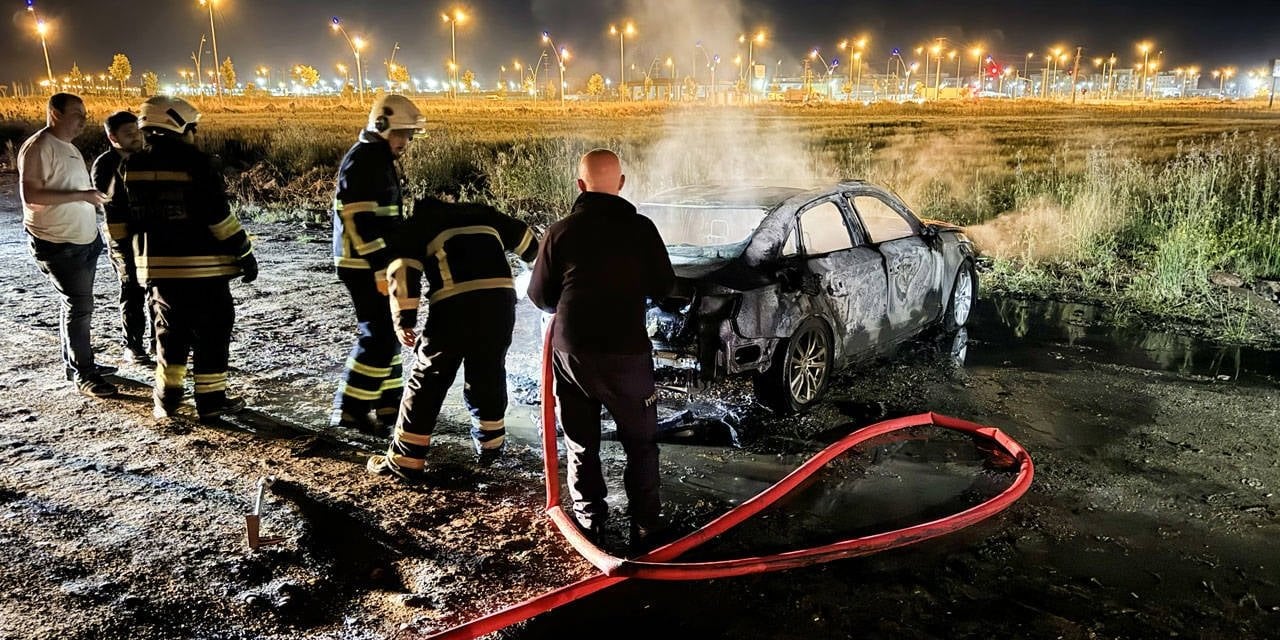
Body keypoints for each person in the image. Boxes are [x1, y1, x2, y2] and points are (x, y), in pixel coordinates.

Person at [528, 149, 675, 548]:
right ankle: (645, 524)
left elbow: (540, 297)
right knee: (641, 443)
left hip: (572, 352)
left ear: (580, 186)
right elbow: (666, 288)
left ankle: (590, 521)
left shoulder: (559, 232)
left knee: (581, 441)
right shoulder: (641, 229)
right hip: (626, 354)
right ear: (622, 184)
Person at [366, 196, 539, 481]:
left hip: (454, 305)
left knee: (429, 377)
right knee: (487, 372)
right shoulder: (486, 214)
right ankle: (491, 451)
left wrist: (404, 320)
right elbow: (530, 244)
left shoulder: (421, 223)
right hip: (500, 304)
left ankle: (405, 459)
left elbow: (402, 268)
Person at [122, 96, 257, 421]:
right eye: (192, 127)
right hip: (204, 269)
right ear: (178, 125)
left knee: (169, 335)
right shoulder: (198, 163)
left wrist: (129, 263)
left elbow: (121, 222)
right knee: (212, 334)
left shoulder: (132, 166)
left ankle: (166, 400)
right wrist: (245, 251)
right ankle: (211, 403)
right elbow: (218, 218)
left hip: (158, 271)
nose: (194, 134)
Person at [330, 94, 423, 436]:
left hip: (372, 262)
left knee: (387, 332)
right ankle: (350, 408)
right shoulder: (366, 159)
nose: (406, 141)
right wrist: (378, 268)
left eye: (409, 135)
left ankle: (388, 405)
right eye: (401, 134)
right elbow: (357, 219)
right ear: (382, 127)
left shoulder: (376, 158)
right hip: (363, 264)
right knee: (379, 334)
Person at [17, 92, 117, 398]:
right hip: (59, 244)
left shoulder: (68, 147)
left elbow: (70, 188)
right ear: (55, 113)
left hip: (84, 241)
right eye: (77, 114)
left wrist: (91, 199)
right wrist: (82, 196)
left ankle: (76, 364)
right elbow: (31, 197)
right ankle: (84, 373)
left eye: (85, 114)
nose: (84, 120)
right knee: (79, 306)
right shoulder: (39, 147)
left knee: (75, 305)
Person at [91, 110, 153, 366]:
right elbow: (108, 204)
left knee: (156, 289)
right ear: (112, 136)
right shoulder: (106, 165)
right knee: (132, 290)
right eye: (129, 134)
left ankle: (159, 342)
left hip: (150, 235)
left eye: (137, 131)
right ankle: (133, 345)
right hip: (123, 239)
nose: (136, 137)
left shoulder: (147, 159)